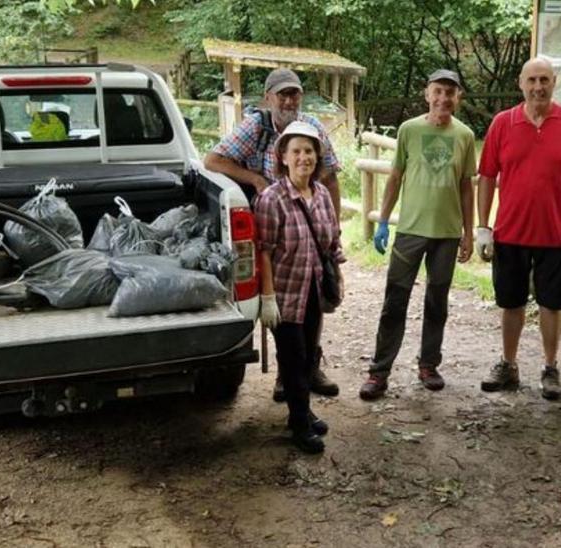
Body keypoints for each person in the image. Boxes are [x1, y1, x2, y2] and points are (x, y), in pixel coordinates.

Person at [204, 68, 343, 400]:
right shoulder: (257, 126)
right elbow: (212, 160)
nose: (289, 100)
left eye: (294, 93)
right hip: (274, 224)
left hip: (309, 224)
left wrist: (333, 231)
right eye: (282, 94)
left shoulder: (310, 127)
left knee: (315, 296)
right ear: (268, 97)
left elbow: (332, 175)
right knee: (283, 300)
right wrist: (254, 179)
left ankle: (308, 366)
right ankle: (288, 373)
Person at [476, 58, 561, 399]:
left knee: (551, 305)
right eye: (532, 80)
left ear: (555, 82)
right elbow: (486, 176)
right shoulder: (502, 123)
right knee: (510, 303)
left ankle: (551, 367)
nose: (538, 87)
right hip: (510, 232)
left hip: (556, 233)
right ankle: (508, 365)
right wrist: (484, 226)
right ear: (520, 83)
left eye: (544, 80)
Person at [359, 70, 477, 400]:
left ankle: (429, 364)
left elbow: (467, 187)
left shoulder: (465, 136)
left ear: (458, 98)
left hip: (446, 233)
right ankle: (379, 371)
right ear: (427, 94)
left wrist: (469, 232)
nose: (443, 99)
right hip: (410, 230)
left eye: (450, 93)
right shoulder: (409, 130)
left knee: (437, 302)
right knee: (395, 301)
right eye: (438, 91)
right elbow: (395, 177)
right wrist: (383, 221)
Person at [255, 121, 345, 454]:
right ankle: (300, 424)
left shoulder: (321, 194)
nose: (303, 157)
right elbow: (264, 250)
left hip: (314, 288)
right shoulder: (271, 199)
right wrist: (267, 298)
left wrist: (339, 275)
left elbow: (332, 239)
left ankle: (302, 412)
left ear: (317, 156)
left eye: (309, 151)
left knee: (309, 356)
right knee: (293, 359)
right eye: (296, 151)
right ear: (282, 157)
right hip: (284, 292)